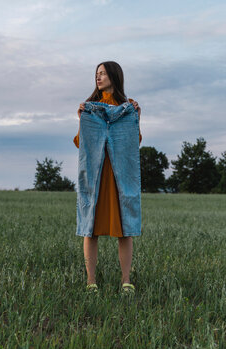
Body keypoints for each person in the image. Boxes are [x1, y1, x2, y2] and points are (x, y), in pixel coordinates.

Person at [73, 61, 141, 294]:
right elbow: (81, 144)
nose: (98, 77)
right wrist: (82, 119)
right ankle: (91, 281)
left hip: (119, 175)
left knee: (124, 228)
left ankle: (126, 280)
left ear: (114, 76)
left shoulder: (128, 107)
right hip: (97, 173)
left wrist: (135, 118)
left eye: (102, 73)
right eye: (96, 74)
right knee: (90, 227)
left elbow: (134, 144)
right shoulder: (90, 108)